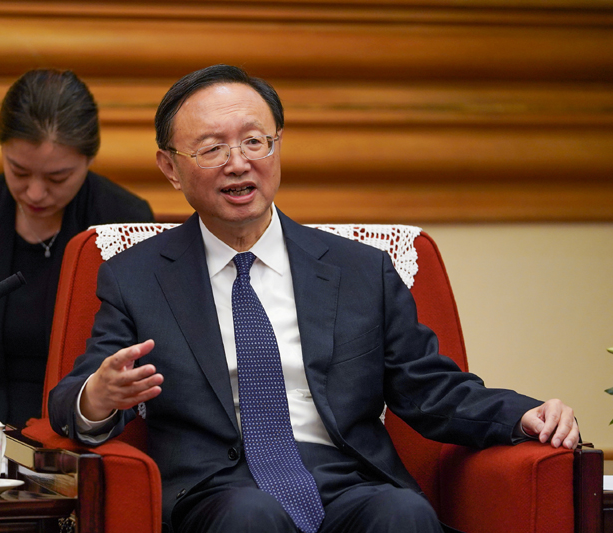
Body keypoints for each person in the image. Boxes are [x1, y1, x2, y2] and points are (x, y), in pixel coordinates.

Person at [48, 64, 579, 533]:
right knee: (250, 516)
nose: (238, 163)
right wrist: (100, 395)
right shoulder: (136, 277)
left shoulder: (360, 270)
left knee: (403, 513)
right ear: (170, 167)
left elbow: (429, 388)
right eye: (212, 149)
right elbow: (74, 397)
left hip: (345, 478)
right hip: (218, 489)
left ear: (277, 146)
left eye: (255, 141)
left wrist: (522, 415)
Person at [0, 68, 154, 456]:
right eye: (19, 171)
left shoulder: (123, 220)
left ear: (89, 159)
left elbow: (125, 353)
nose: (35, 192)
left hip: (74, 441)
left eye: (57, 178)